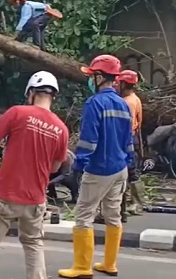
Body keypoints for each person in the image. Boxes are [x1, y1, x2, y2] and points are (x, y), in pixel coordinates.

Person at [0, 71, 69, 279]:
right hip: (35, 198)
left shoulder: (17, 113)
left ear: (31, 92)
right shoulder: (61, 129)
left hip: (5, 193)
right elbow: (55, 167)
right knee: (33, 244)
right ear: (53, 96)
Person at [59, 54, 133, 279]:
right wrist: (129, 163)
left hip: (99, 168)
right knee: (113, 215)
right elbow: (129, 141)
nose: (91, 80)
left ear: (100, 77)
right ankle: (109, 264)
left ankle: (82, 267)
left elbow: (88, 141)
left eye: (93, 76)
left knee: (83, 215)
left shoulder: (94, 103)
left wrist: (79, 164)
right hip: (120, 168)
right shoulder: (123, 104)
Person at [118, 69, 145, 215]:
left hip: (127, 139)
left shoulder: (127, 102)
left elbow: (126, 125)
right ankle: (134, 202)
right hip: (133, 138)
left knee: (130, 172)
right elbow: (140, 123)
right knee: (131, 172)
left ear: (123, 84)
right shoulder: (136, 98)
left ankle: (136, 203)